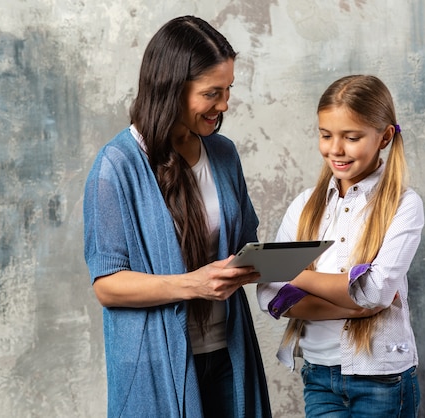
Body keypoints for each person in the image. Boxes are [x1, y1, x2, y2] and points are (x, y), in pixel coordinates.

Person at [83, 15, 272, 418]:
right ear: (172, 88)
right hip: (154, 365)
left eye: (228, 90)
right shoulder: (116, 166)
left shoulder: (223, 154)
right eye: (212, 92)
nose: (224, 104)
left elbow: (244, 243)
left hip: (228, 353)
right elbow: (108, 286)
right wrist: (194, 285)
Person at [257, 75, 424, 417]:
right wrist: (352, 304)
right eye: (326, 135)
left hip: (382, 378)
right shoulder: (305, 205)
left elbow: (375, 292)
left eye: (351, 137)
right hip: (319, 375)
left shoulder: (404, 205)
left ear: (385, 137)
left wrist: (294, 273)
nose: (335, 149)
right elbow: (269, 295)